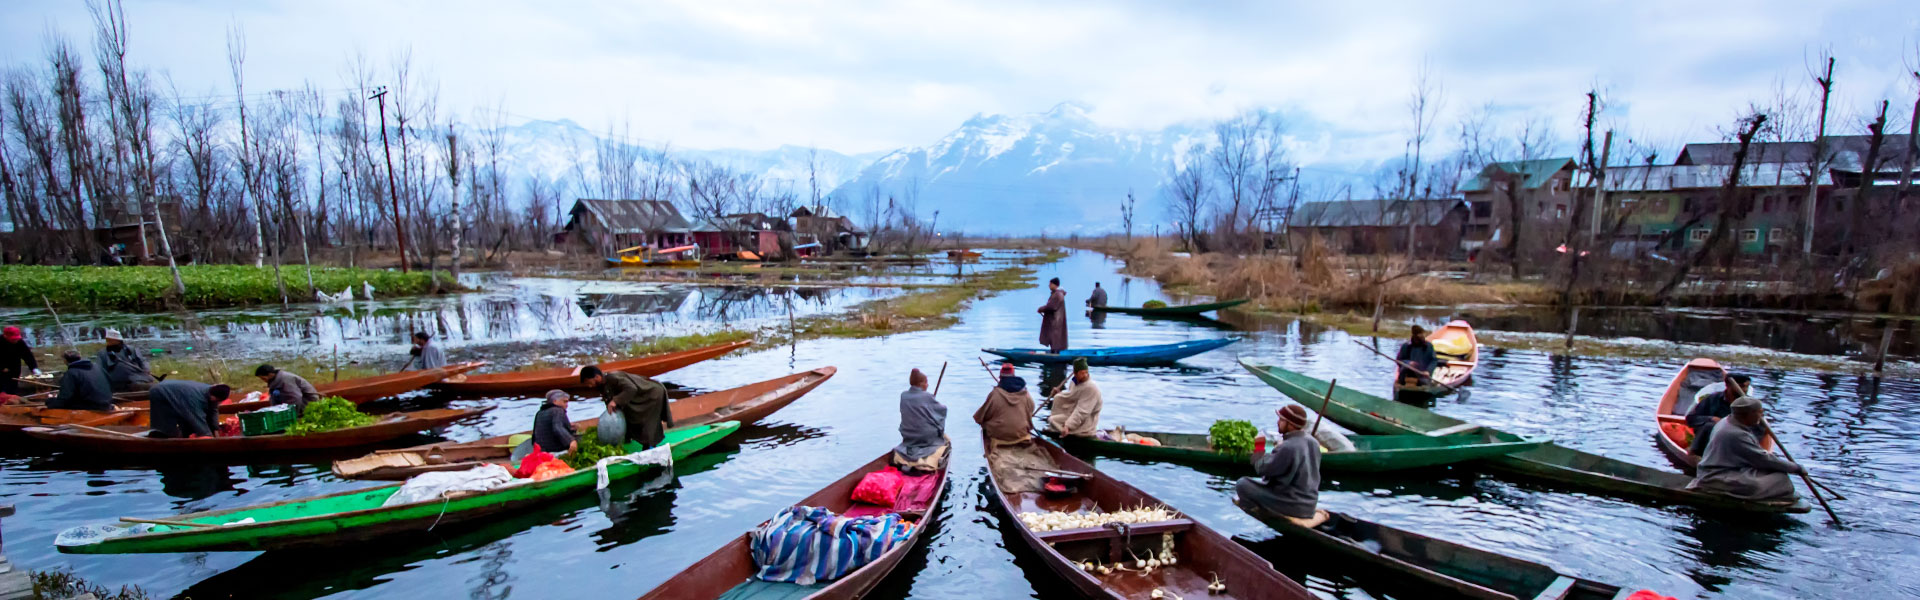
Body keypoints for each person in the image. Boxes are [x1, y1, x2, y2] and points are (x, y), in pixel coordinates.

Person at [1687, 396, 1804, 503]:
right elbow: (1763, 459)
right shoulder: (1736, 433)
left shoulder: (1727, 420)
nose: (1762, 416)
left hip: (1731, 469)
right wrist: (1795, 467)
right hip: (1716, 475)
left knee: (1776, 474)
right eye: (1759, 413)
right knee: (1780, 478)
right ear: (1747, 415)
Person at [1235, 404, 1324, 526]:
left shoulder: (1288, 447)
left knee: (1242, 484)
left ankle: (1260, 511)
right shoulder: (1313, 442)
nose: (1278, 422)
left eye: (1282, 420)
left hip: (1292, 504)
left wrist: (1259, 447)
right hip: (1309, 504)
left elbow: (1262, 469)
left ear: (1291, 425)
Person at [582, 365, 672, 448]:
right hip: (638, 396)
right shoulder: (601, 385)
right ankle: (628, 437)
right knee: (627, 415)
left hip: (651, 393)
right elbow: (609, 399)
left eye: (589, 382)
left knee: (647, 421)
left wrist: (615, 400)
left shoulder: (613, 377)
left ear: (597, 377)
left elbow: (631, 388)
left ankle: (650, 445)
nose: (590, 386)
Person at [893, 368, 949, 472]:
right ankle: (926, 457)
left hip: (908, 435)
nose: (927, 385)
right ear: (920, 384)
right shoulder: (927, 396)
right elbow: (942, 410)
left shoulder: (903, 395)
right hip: (925, 437)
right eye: (926, 382)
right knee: (939, 437)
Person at [1685, 373, 1751, 457]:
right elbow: (1691, 419)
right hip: (1710, 442)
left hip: (1736, 442)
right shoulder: (1712, 399)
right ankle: (1696, 454)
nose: (1744, 390)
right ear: (1728, 385)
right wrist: (1712, 419)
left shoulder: (1750, 404)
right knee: (1709, 425)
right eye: (1741, 386)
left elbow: (1758, 428)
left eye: (1747, 387)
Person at [975, 362, 1037, 448]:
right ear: (1013, 375)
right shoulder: (1025, 393)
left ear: (1000, 377)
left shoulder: (995, 394)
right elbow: (1031, 408)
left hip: (999, 435)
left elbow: (979, 417)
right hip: (1021, 433)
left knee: (985, 423)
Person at [146, 380, 230, 439]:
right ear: (212, 396)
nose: (216, 402)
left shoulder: (214, 393)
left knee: (187, 421)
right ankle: (163, 437)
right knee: (167, 422)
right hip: (160, 392)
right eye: (215, 400)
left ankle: (185, 434)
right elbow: (196, 417)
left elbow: (213, 411)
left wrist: (215, 429)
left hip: (179, 394)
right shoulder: (196, 398)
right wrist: (207, 435)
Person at [1045, 357, 1102, 437]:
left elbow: (1082, 412)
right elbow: (1071, 397)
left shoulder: (1090, 387)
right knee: (1056, 404)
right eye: (1082, 373)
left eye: (1086, 372)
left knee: (1052, 420)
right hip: (1072, 413)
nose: (1085, 375)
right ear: (1075, 373)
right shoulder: (1074, 382)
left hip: (1086, 421)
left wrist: (1068, 425)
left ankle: (1065, 432)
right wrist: (1059, 394)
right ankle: (1059, 431)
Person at [96, 329, 156, 393]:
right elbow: (100, 370)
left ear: (119, 341)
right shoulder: (102, 353)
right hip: (116, 381)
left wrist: (146, 369)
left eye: (112, 341)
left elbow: (142, 361)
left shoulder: (131, 349)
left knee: (149, 386)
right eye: (108, 341)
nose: (109, 343)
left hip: (136, 378)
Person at [255, 364, 321, 415]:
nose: (263, 381)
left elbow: (295, 398)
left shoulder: (285, 380)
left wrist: (292, 414)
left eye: (263, 378)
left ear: (270, 374)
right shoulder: (275, 381)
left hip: (306, 403)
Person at [533, 389, 578, 454]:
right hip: (556, 451)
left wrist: (568, 426)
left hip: (542, 451)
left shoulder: (540, 413)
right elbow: (558, 428)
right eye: (565, 402)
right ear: (555, 401)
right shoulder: (558, 411)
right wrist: (571, 441)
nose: (567, 405)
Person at [0, 326, 39, 396]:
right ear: (5, 336)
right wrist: (2, 368)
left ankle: (12, 394)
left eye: (16, 339)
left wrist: (34, 367)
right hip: (2, 368)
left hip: (14, 366)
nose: (15, 341)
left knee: (13, 384)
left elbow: (27, 355)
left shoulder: (20, 342)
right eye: (13, 339)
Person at [1037, 277, 1067, 353]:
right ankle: (1054, 352)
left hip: (1055, 321)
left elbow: (1052, 306)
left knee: (1054, 338)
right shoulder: (1057, 294)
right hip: (1055, 320)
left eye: (1050, 284)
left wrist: (1041, 309)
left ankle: (1055, 353)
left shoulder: (1058, 294)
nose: (1049, 285)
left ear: (1055, 284)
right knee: (1054, 338)